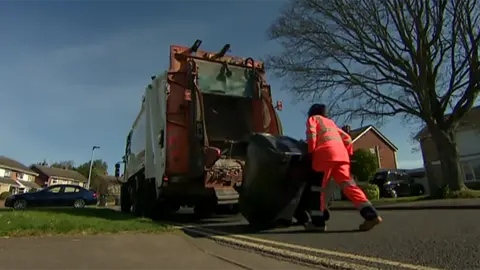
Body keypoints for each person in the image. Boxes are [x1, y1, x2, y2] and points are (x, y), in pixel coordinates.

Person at [305, 104, 383, 231]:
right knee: (350, 187)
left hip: (325, 156)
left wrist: (311, 153)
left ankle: (317, 223)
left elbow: (312, 134)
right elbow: (347, 138)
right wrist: (348, 153)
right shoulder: (331, 124)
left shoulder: (313, 119)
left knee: (317, 189)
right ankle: (371, 215)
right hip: (342, 157)